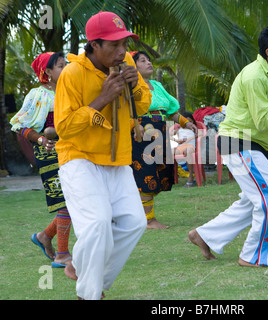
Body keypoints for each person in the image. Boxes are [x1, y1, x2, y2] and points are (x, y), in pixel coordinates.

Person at [188, 24, 268, 267]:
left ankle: (204, 235)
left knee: (253, 200)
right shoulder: (255, 76)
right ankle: (253, 256)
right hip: (239, 141)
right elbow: (265, 119)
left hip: (252, 145)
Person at [54, 11, 151, 300]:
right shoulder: (72, 74)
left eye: (124, 43)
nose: (122, 51)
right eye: (113, 45)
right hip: (78, 157)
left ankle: (82, 268)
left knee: (135, 222)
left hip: (117, 159)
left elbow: (143, 106)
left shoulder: (127, 64)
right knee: (97, 223)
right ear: (94, 45)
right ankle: (89, 294)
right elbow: (64, 127)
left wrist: (134, 86)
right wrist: (101, 100)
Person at [10, 52, 73, 268]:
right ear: (47, 72)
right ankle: (62, 255)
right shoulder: (38, 95)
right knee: (65, 202)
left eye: (66, 65)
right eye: (61, 66)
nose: (66, 69)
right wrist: (39, 139)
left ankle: (45, 237)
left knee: (75, 199)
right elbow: (19, 124)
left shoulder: (70, 91)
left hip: (73, 150)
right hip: (49, 153)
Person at [131, 51, 198, 229]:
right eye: (142, 61)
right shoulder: (131, 86)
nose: (148, 63)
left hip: (160, 131)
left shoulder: (157, 86)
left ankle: (140, 214)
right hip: (142, 133)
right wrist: (138, 126)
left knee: (160, 175)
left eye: (149, 60)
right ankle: (148, 220)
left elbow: (171, 111)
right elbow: (126, 110)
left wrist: (186, 123)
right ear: (133, 66)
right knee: (147, 174)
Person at [171, 111, 198, 187]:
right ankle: (170, 175)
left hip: (190, 147)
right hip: (180, 146)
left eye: (190, 121)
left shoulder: (193, 129)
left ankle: (190, 175)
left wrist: (189, 139)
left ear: (193, 121)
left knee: (188, 150)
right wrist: (176, 140)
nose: (188, 123)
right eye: (185, 121)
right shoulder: (179, 129)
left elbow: (200, 135)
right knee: (169, 152)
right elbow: (168, 135)